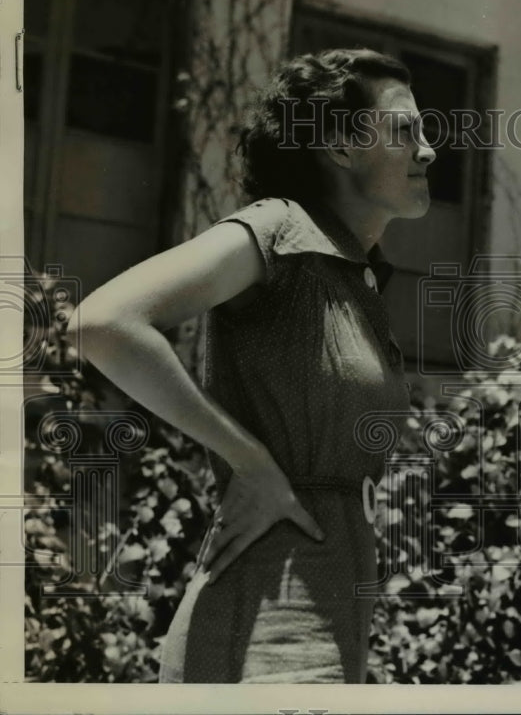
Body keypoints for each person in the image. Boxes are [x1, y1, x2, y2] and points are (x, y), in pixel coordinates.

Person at [70, 48, 435, 683]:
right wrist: (248, 458)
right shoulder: (278, 229)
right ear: (339, 146)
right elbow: (105, 323)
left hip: (324, 620)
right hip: (266, 631)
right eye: (405, 130)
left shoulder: (354, 275)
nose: (429, 150)